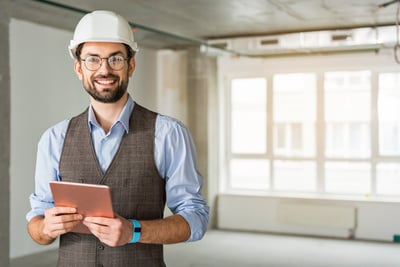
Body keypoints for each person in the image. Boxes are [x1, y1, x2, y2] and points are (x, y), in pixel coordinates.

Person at [26, 10, 209, 266]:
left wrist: (134, 231)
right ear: (78, 68)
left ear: (130, 65)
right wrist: (46, 228)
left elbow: (196, 219)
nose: (104, 69)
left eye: (116, 59)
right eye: (93, 59)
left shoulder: (168, 133)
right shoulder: (53, 138)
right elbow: (36, 226)